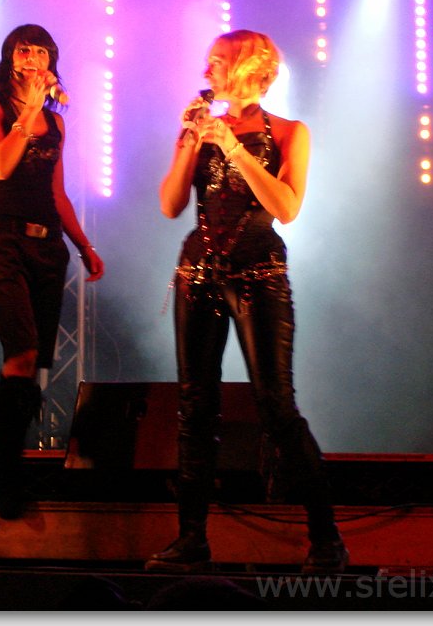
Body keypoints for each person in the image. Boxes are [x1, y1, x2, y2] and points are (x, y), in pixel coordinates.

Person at [148, 29, 348, 575]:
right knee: (195, 406)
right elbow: (170, 205)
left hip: (260, 273)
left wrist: (234, 148)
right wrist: (190, 144)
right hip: (198, 273)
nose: (206, 70)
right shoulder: (198, 126)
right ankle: (192, 538)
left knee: (276, 405)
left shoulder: (288, 132)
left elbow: (286, 207)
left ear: (245, 67)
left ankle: (326, 539)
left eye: (216, 61)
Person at [0, 24, 105, 520]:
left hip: (48, 245)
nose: (33, 58)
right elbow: (0, 166)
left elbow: (57, 192)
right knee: (22, 350)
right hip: (4, 242)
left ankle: (13, 466)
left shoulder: (56, 122)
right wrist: (28, 110)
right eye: (24, 50)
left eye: (42, 51)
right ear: (10, 58)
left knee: (34, 364)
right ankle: (4, 476)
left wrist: (84, 244)